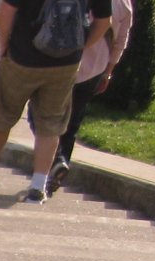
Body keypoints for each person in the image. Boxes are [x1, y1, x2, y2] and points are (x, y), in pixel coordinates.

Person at [0, 0, 111, 203]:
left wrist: (4, 46)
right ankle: (38, 186)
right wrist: (78, 49)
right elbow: (104, 22)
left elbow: (5, 13)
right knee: (51, 122)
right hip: (66, 63)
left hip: (22, 56)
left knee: (3, 113)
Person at [46, 0, 131, 191]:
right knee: (72, 123)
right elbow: (121, 40)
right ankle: (57, 169)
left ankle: (53, 162)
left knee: (43, 115)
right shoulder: (124, 3)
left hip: (61, 61)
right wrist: (108, 71)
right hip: (95, 68)